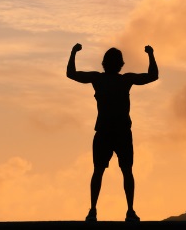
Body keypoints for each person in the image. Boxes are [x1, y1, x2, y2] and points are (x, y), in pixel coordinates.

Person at [67, 43, 158, 222]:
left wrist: (73, 53)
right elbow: (152, 76)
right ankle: (125, 210)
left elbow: (72, 74)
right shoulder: (124, 80)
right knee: (123, 171)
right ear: (121, 65)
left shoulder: (101, 79)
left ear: (104, 63)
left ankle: (97, 210)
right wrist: (150, 54)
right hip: (117, 132)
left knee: (102, 171)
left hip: (108, 132)